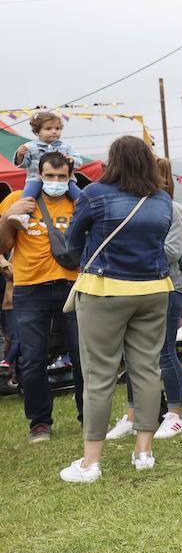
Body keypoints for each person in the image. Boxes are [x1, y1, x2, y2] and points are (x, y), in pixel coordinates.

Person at [58, 136, 178, 482]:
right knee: (147, 369)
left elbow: (72, 243)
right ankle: (144, 451)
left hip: (105, 290)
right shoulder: (162, 199)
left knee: (99, 375)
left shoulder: (94, 194)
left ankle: (91, 462)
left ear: (113, 161)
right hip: (155, 288)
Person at [0, 152, 84, 443]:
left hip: (71, 285)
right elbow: (3, 245)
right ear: (39, 174)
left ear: (69, 176)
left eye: (62, 177)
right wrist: (8, 219)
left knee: (81, 355)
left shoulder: (77, 202)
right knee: (33, 359)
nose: (56, 182)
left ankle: (88, 416)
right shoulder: (17, 201)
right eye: (50, 176)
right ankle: (39, 423)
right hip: (29, 288)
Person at [109, 156, 182, 443]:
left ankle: (175, 413)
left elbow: (173, 250)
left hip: (168, 288)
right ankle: (133, 415)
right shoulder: (134, 208)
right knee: (133, 353)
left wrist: (135, 256)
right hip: (137, 287)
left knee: (165, 351)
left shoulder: (171, 209)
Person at [13, 111, 81, 202]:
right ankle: (23, 214)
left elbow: (79, 162)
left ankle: (84, 212)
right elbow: (24, 164)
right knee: (27, 197)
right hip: (36, 178)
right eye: (48, 129)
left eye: (57, 128)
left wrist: (72, 160)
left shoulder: (66, 147)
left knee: (79, 197)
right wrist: (20, 156)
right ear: (37, 132)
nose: (54, 132)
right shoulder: (30, 147)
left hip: (63, 180)